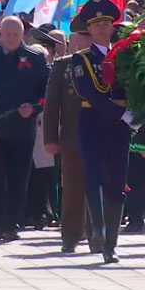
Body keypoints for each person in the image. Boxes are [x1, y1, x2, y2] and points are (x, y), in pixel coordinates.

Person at [70, 0, 135, 263]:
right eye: (96, 24)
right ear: (88, 28)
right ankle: (98, 229)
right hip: (93, 122)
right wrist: (124, 114)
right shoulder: (81, 58)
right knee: (94, 175)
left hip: (119, 126)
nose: (101, 28)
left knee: (117, 180)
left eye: (106, 23)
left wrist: (137, 114)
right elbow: (90, 95)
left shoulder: (125, 56)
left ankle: (111, 242)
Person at [0, 16, 50, 242]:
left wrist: (33, 107)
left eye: (15, 34)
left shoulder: (36, 58)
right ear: (0, 32)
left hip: (23, 129)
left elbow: (46, 94)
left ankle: (12, 223)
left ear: (22, 35)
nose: (11, 38)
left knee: (18, 178)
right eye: (7, 33)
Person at [43, 29, 93, 253]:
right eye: (78, 36)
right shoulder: (63, 66)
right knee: (72, 188)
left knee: (99, 189)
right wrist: (50, 138)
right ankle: (71, 236)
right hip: (71, 137)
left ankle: (97, 234)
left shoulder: (108, 62)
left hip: (101, 137)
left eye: (86, 35)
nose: (81, 40)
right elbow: (52, 105)